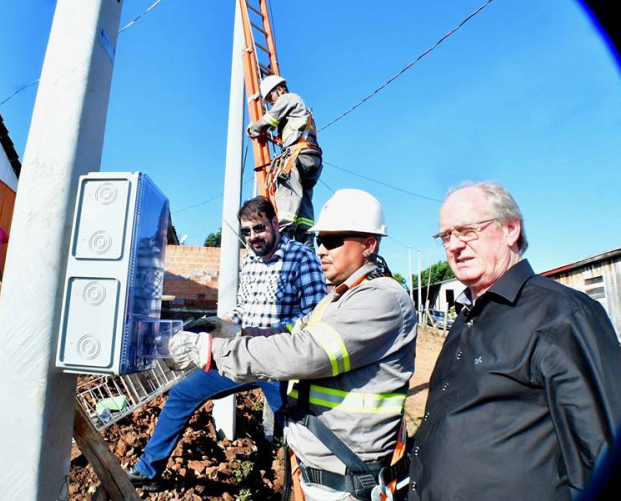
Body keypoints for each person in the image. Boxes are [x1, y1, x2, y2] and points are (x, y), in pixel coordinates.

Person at [168, 189, 418, 501]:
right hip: (321, 472)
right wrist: (230, 329)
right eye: (319, 240)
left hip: (351, 482)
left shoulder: (382, 300)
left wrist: (209, 351)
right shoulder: (337, 300)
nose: (322, 250)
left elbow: (303, 352)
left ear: (369, 245)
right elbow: (290, 331)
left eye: (333, 240)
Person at [408, 182, 621, 501]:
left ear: (511, 228)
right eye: (446, 235)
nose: (454, 245)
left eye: (467, 230)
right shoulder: (464, 319)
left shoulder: (562, 314)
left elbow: (600, 451)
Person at [126, 196, 327, 491]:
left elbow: (314, 316)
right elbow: (244, 310)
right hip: (243, 357)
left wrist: (265, 333)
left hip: (282, 364)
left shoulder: (301, 258)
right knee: (182, 394)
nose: (253, 237)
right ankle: (148, 470)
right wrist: (220, 323)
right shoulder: (252, 263)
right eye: (246, 232)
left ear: (274, 223)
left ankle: (311, 485)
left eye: (259, 229)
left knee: (295, 430)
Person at [247, 75, 322, 246]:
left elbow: (269, 120)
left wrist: (252, 129)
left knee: (287, 197)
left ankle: (283, 242)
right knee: (304, 205)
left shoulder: (288, 98)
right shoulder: (302, 109)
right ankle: (306, 244)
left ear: (279, 89)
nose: (272, 103)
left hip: (297, 155)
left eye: (271, 98)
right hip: (312, 159)